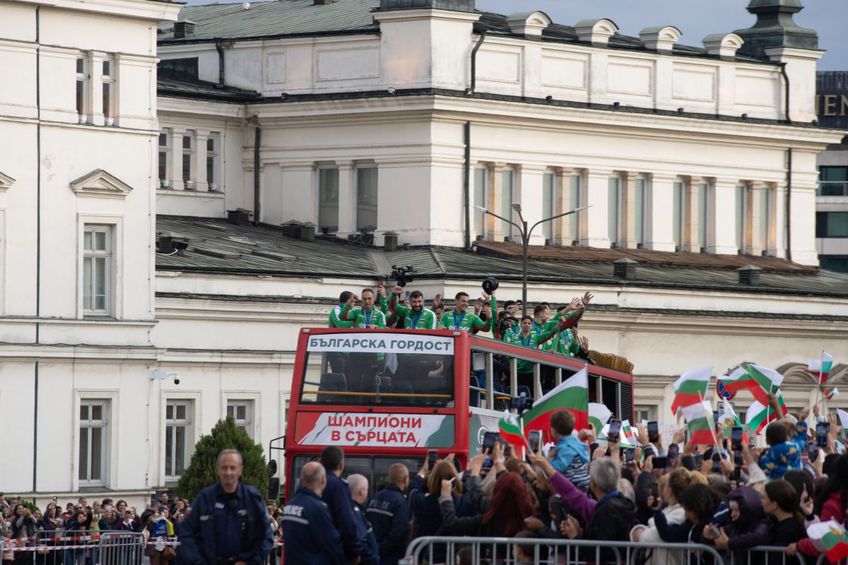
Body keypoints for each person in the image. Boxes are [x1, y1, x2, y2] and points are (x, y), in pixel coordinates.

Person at [175, 449, 274, 565]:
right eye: (224, 467)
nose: (228, 472)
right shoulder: (205, 498)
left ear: (240, 470)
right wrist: (198, 562)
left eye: (232, 467)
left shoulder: (252, 498)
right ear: (217, 469)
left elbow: (267, 536)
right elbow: (186, 533)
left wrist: (251, 562)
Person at [282, 462, 346, 565]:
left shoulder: (290, 505)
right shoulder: (317, 508)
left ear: (302, 480)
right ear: (323, 480)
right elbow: (332, 545)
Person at [320, 446, 366, 563]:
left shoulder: (312, 481)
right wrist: (354, 553)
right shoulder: (338, 486)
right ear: (341, 465)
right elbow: (347, 522)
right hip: (333, 552)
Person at [367, 463, 411, 565]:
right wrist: (382, 548)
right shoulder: (400, 502)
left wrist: (376, 548)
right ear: (405, 479)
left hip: (373, 551)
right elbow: (399, 531)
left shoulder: (374, 497)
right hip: (392, 556)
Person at [548, 410, 590, 491]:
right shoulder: (575, 441)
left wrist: (550, 459)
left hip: (576, 486)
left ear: (553, 430)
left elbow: (558, 467)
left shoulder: (566, 447)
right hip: (583, 485)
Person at [348, 474, 380, 565]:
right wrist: (372, 559)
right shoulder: (356, 512)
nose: (367, 492)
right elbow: (360, 541)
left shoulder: (344, 510)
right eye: (367, 489)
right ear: (362, 491)